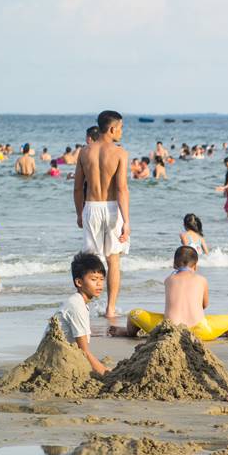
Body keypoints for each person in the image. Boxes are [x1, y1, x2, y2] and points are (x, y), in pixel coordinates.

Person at [110, 246, 228, 341]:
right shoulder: (201, 279)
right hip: (200, 331)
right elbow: (204, 305)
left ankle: (129, 333)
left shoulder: (169, 279)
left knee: (134, 314)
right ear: (196, 265)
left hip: (167, 330)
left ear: (174, 264)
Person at [74, 110, 130, 319]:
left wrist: (80, 213)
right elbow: (122, 188)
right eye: (121, 127)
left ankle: (85, 306)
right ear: (113, 128)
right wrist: (126, 221)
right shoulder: (120, 153)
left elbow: (78, 188)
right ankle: (110, 309)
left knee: (91, 260)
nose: (122, 132)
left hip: (91, 206)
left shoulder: (85, 152)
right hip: (113, 208)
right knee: (113, 259)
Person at [57, 252, 107, 375]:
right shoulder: (76, 306)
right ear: (79, 282)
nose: (99, 283)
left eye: (101, 279)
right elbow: (84, 351)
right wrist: (106, 373)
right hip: (57, 360)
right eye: (94, 279)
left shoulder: (79, 302)